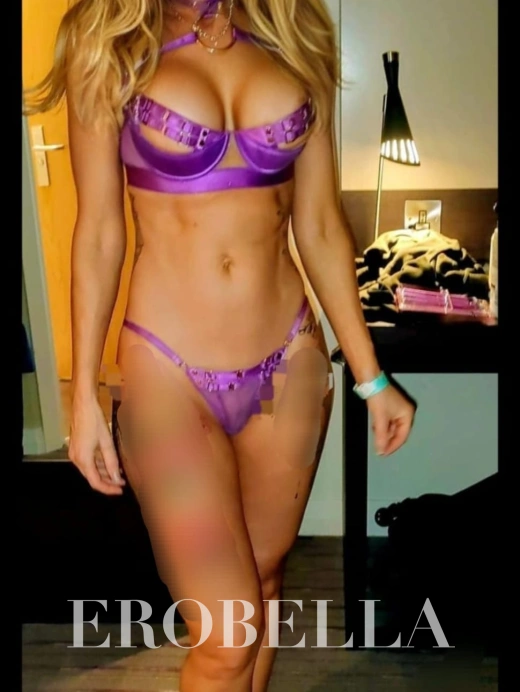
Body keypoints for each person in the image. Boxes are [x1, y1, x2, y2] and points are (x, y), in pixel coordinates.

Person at [25, 1, 415, 689]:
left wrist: (371, 376)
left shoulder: (295, 30)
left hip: (290, 364)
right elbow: (100, 233)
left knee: (262, 585)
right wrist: (82, 393)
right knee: (229, 635)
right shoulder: (108, 35)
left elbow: (321, 226)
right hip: (166, 371)